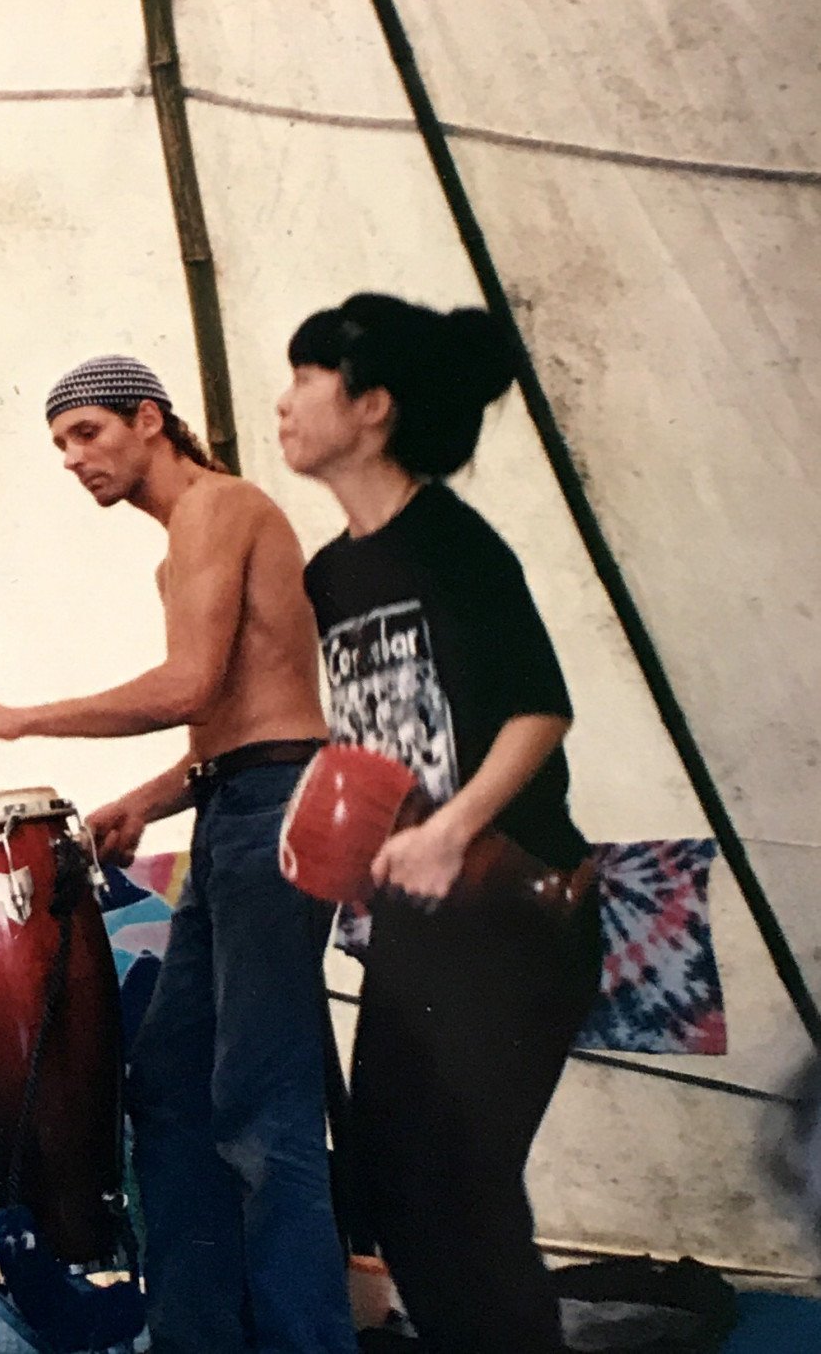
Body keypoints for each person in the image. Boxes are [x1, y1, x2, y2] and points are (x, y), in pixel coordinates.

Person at [0, 356, 357, 1353]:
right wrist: (146, 801)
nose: (73, 460)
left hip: (276, 809)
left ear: (148, 419)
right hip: (239, 800)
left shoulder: (216, 506)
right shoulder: (179, 547)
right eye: (60, 444)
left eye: (87, 434)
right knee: (165, 1081)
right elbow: (232, 719)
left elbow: (190, 684)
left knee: (260, 1105)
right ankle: (197, 1333)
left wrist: (22, 721)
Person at [277, 294, 601, 1354]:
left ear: (370, 406)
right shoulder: (330, 575)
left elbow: (537, 709)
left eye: (303, 380)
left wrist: (449, 826)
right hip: (418, 931)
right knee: (397, 1186)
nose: (282, 404)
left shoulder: (453, 542)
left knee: (458, 1194)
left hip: (512, 909)